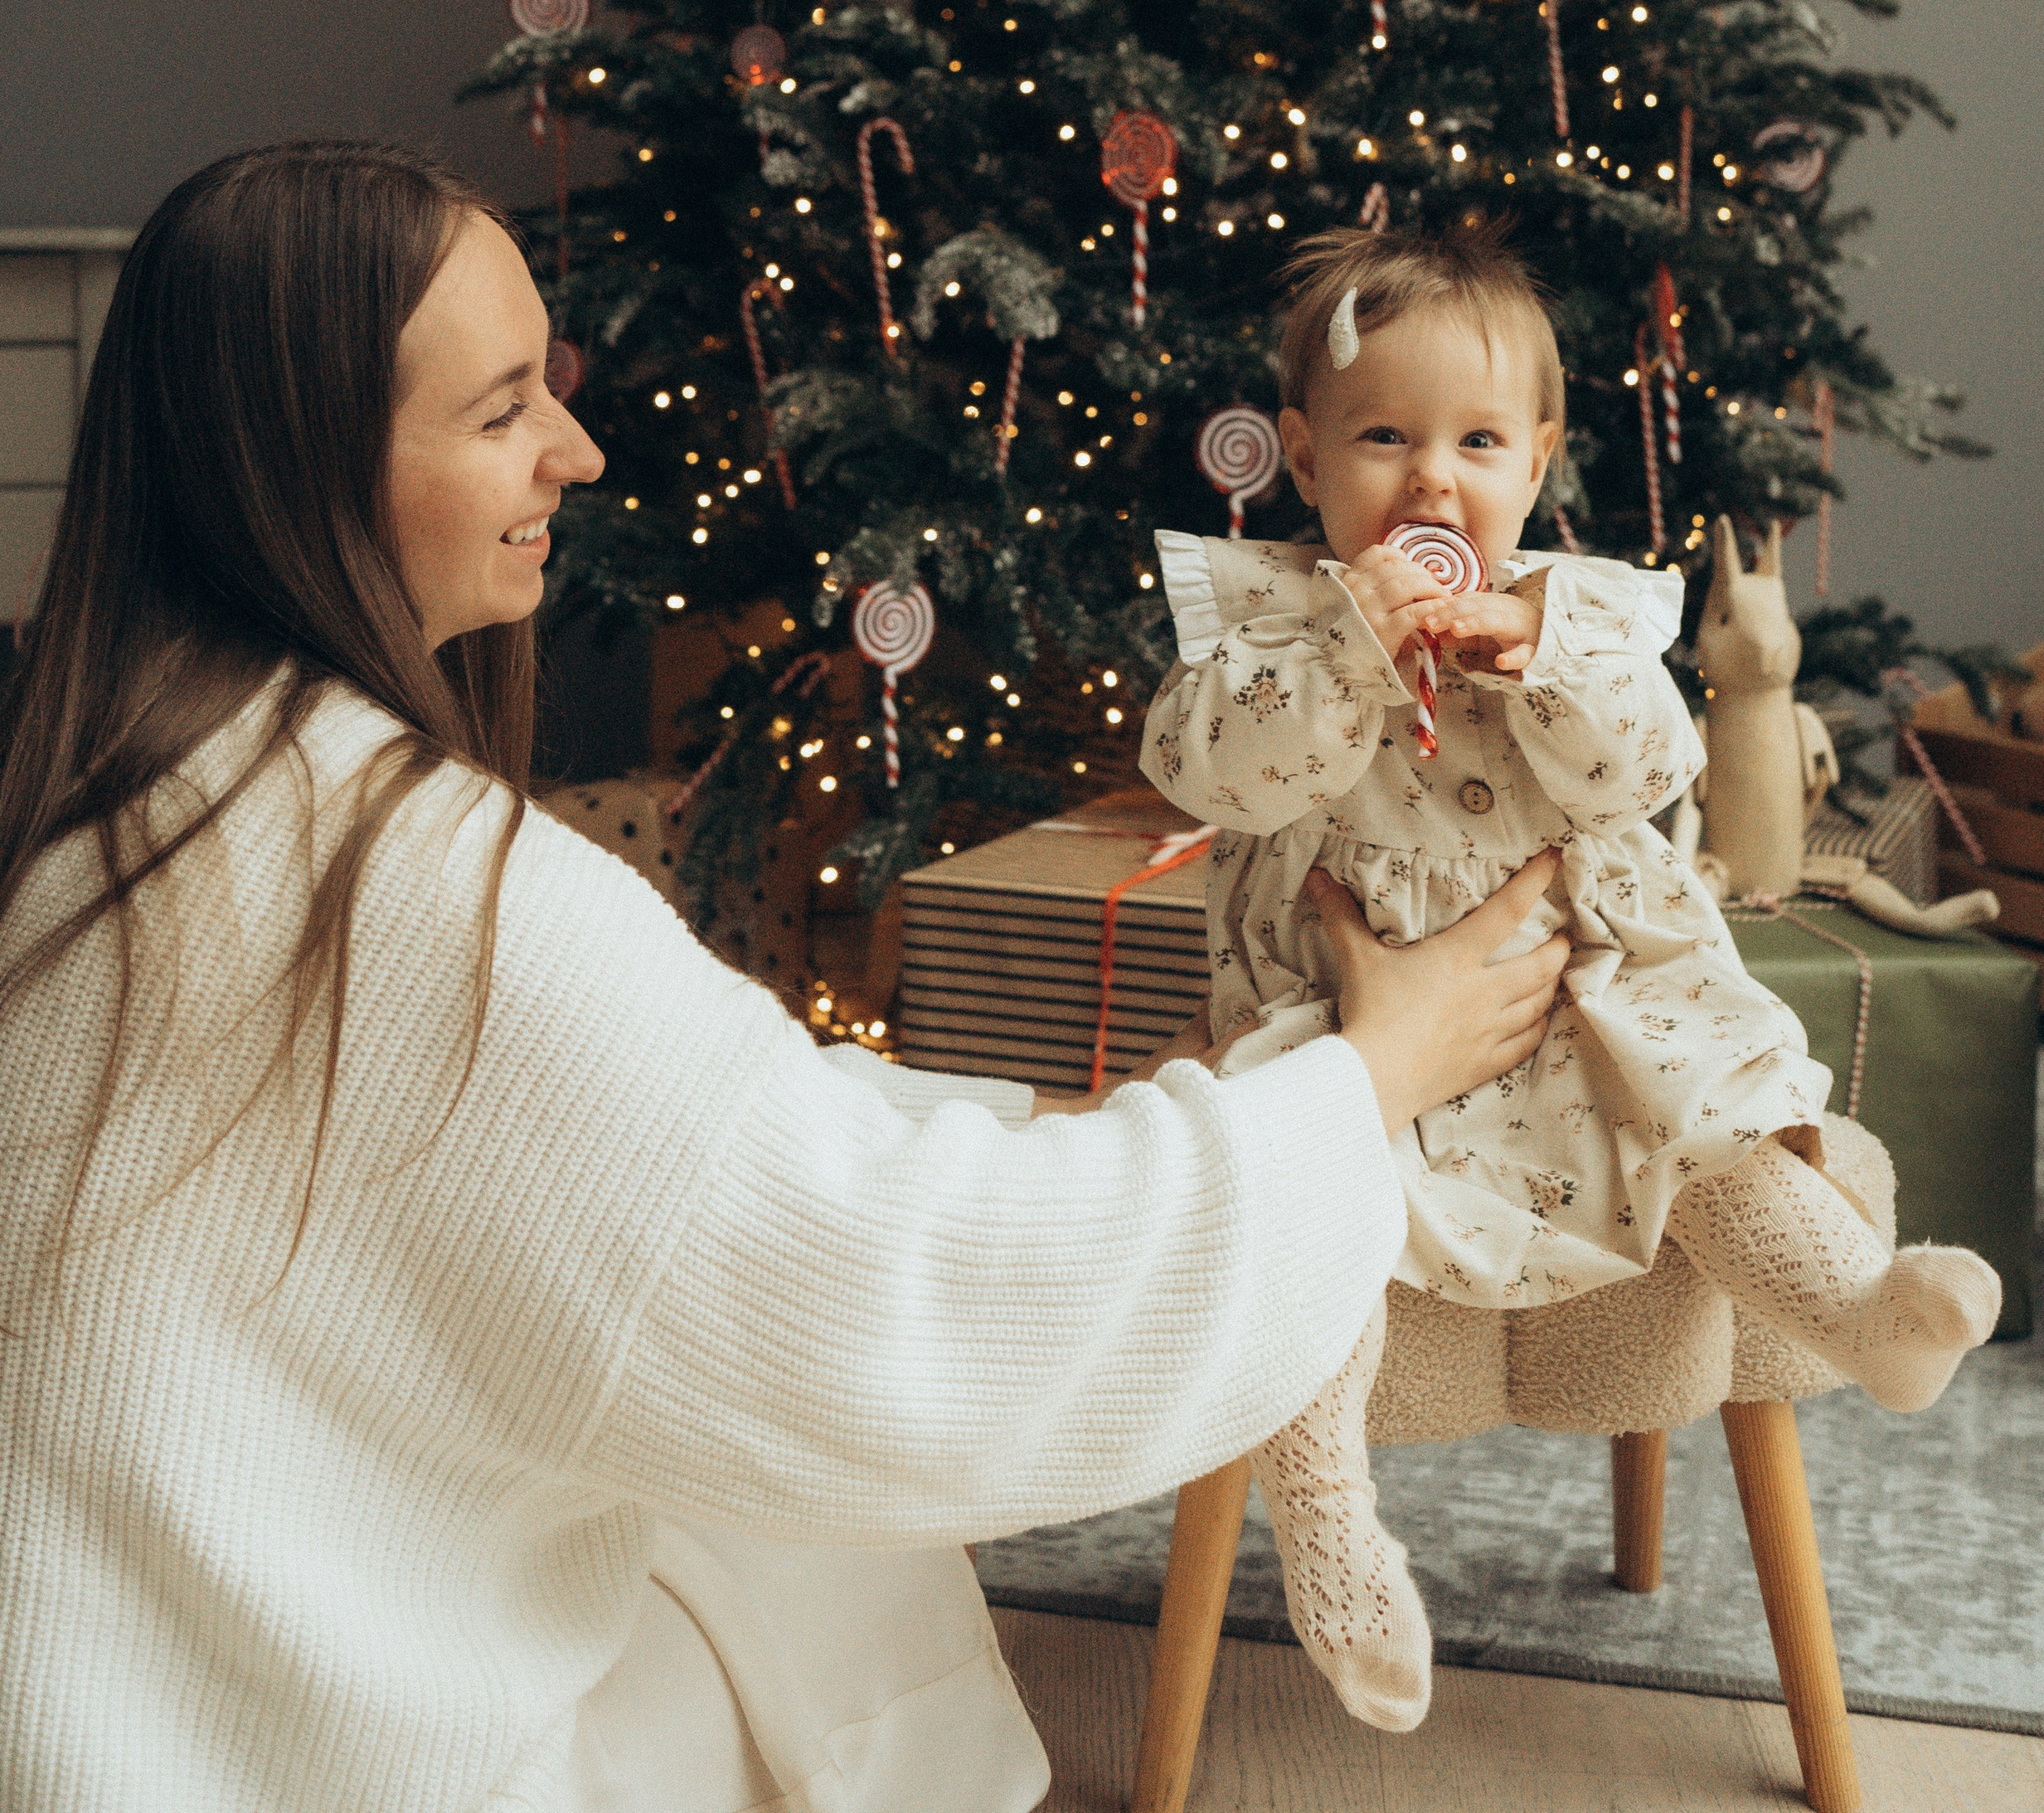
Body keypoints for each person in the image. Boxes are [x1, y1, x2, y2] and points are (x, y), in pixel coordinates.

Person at [0, 142, 1571, 1813]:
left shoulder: (104, 816)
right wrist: (1363, 1080)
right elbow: (891, 1300)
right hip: (305, 1762)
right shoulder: (436, 898)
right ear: (301, 468)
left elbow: (653, 1142)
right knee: (801, 1540)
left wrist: (1027, 1113)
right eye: (501, 409)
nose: (574, 450)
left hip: (106, 1687)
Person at [1143, 221, 2003, 1734]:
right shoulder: (1270, 618)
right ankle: (1334, 1524)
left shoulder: (1582, 611)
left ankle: (1861, 1309)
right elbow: (1218, 778)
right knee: (1302, 1182)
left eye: (1477, 441)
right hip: (1352, 1011)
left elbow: (1651, 766)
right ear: (1303, 454)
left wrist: (1537, 657)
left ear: (1537, 459)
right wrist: (1357, 656)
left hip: (1591, 990)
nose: (1431, 483)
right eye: (1384, 438)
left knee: (1712, 1100)